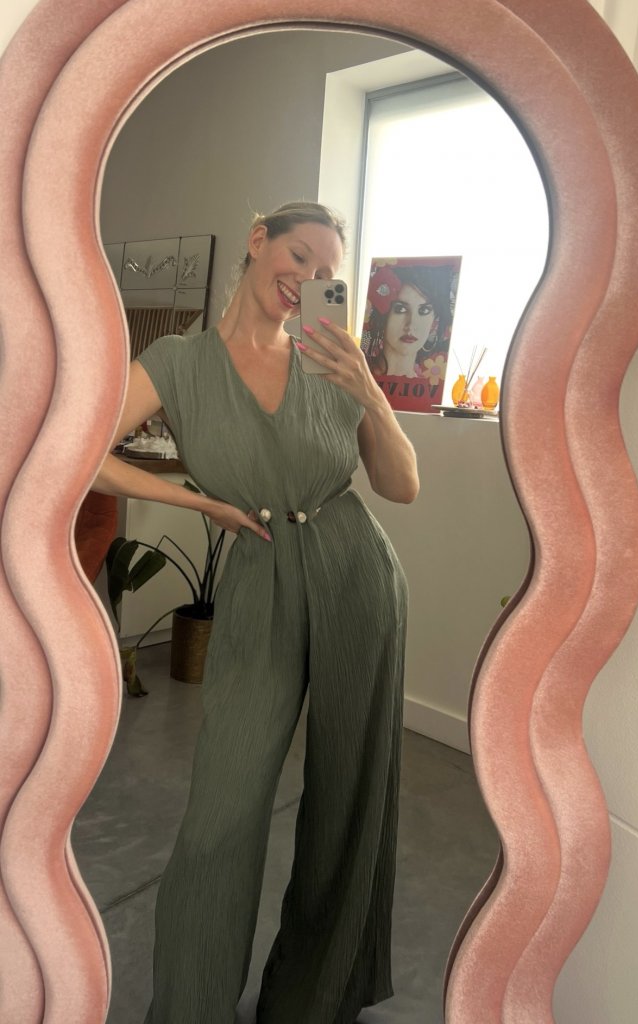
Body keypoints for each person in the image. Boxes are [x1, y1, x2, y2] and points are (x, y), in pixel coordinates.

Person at [94, 201, 419, 1024]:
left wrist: (371, 392)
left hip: (356, 573)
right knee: (223, 808)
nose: (307, 279)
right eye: (299, 256)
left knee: (349, 798)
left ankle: (314, 997)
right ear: (257, 239)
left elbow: (402, 485)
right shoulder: (179, 362)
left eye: (327, 273)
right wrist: (193, 500)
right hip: (261, 577)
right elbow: (78, 449)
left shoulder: (332, 360)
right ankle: (192, 1005)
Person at [362, 261, 456, 379]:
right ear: (383, 314)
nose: (411, 324)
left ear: (434, 321)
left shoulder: (431, 381)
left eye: (424, 310)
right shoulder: (358, 375)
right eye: (400, 309)